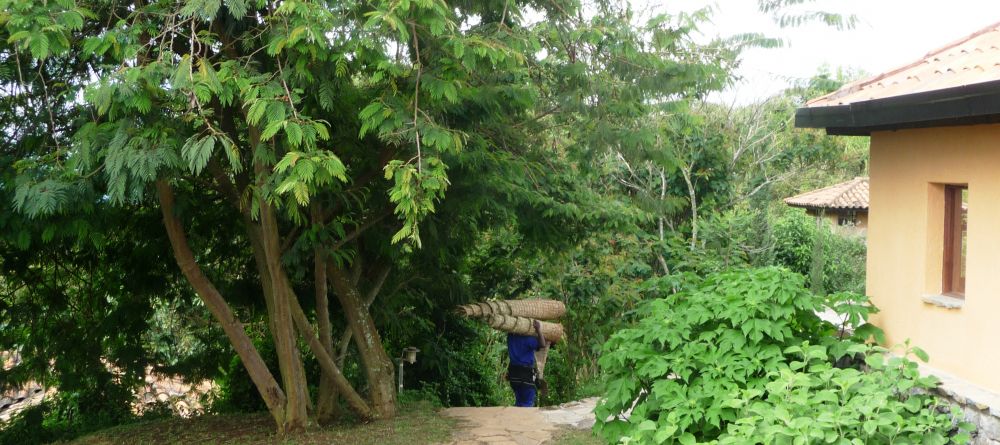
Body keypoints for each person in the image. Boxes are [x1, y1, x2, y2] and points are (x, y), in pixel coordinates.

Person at [506, 320, 548, 407]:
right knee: (527, 404)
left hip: (514, 377)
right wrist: (538, 329)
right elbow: (542, 344)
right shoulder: (527, 339)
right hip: (525, 377)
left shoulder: (510, 336)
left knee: (519, 402)